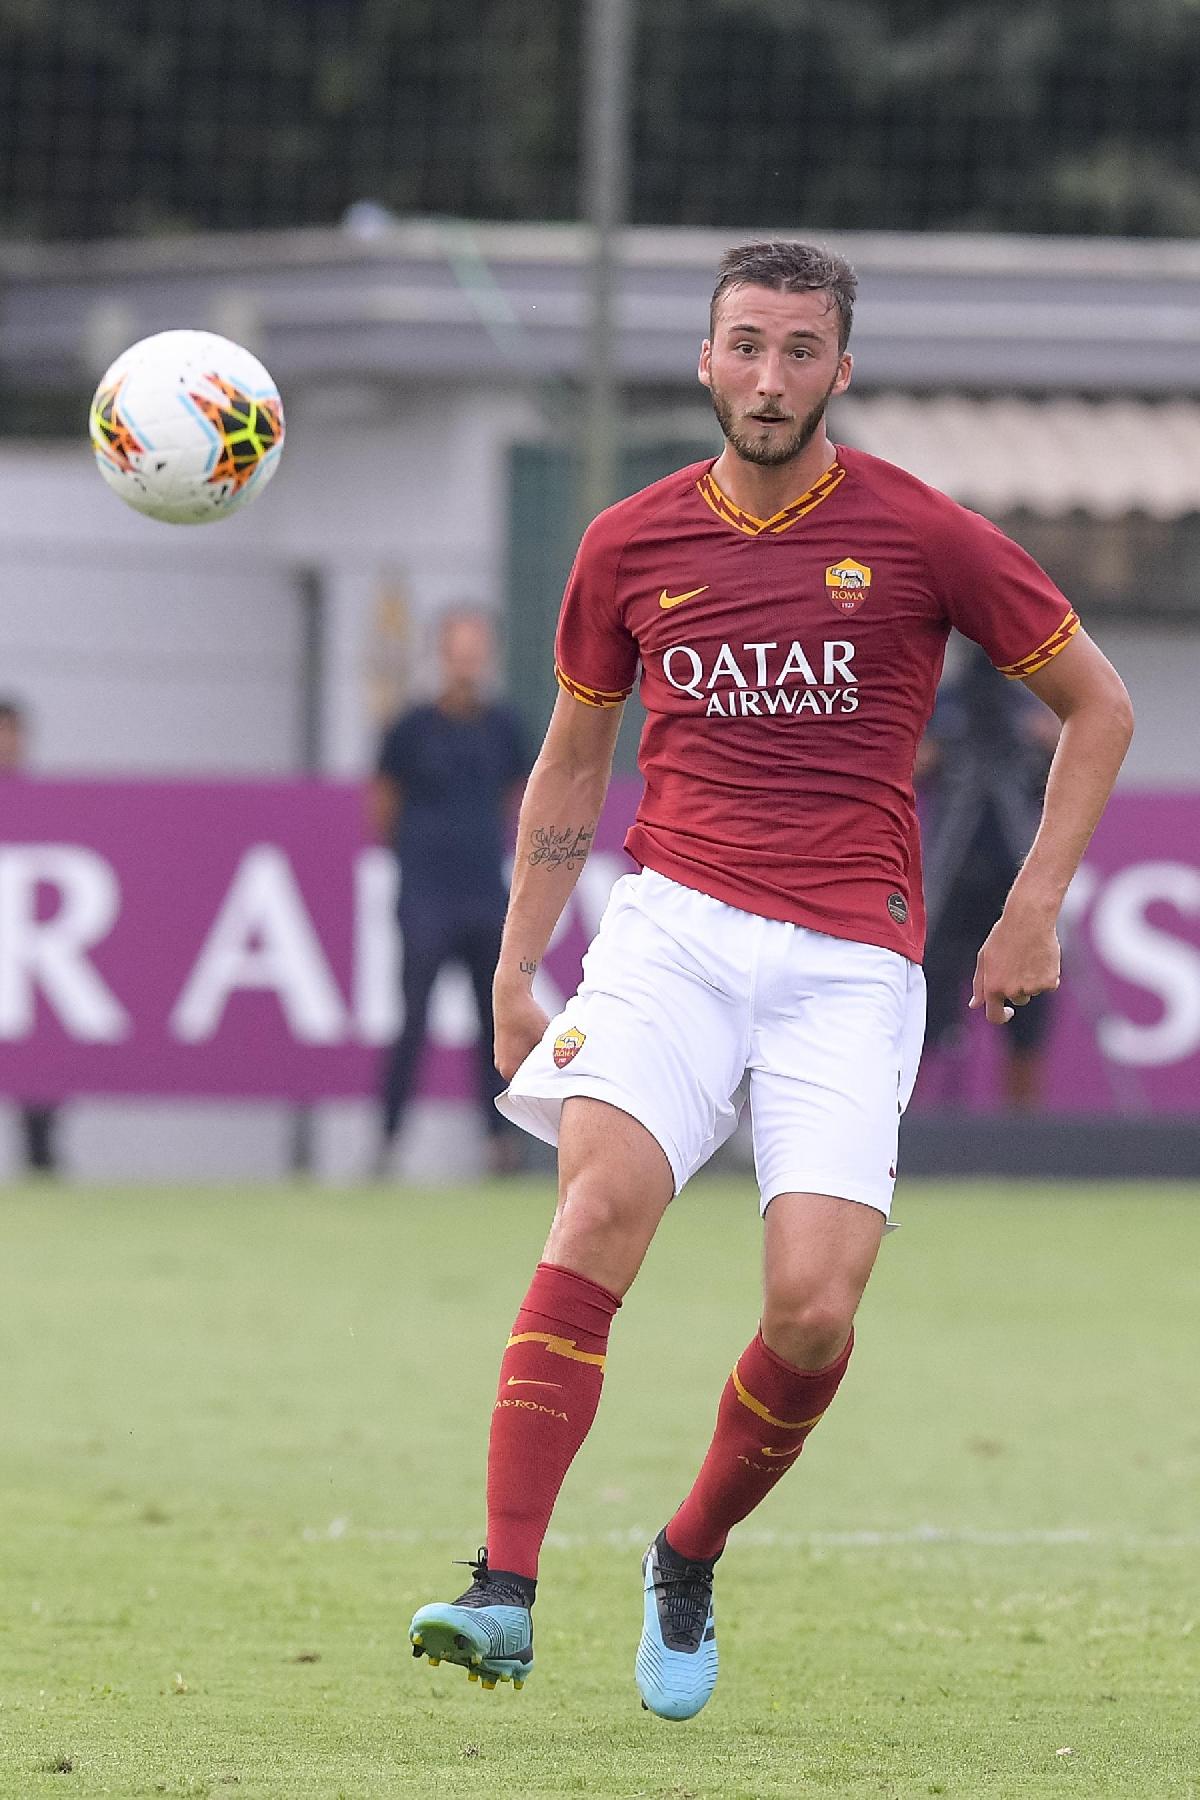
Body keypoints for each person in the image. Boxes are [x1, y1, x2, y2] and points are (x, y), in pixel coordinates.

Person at [407, 242, 1134, 1716]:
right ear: (704, 359)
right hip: (670, 928)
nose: (770, 377)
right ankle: (502, 1586)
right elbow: (572, 759)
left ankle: (686, 1553)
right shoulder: (627, 542)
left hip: (852, 961)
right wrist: (516, 963)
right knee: (600, 1203)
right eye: (747, 345)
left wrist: (1035, 904)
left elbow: (1097, 703)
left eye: (803, 351)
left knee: (813, 1311)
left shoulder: (922, 535)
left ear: (841, 372)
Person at [370, 608, 529, 1178]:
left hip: (484, 894)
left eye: (476, 648)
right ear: (442, 653)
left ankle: (498, 1145)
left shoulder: (504, 726)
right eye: (458, 648)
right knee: (412, 1019)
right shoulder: (411, 727)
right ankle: (388, 1139)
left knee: (494, 1023)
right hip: (425, 896)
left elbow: (518, 796)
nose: (467, 659)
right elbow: (383, 803)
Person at [918, 644, 1063, 1108]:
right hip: (952, 877)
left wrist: (1042, 742)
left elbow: (1061, 765)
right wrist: (943, 747)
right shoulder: (947, 706)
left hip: (1014, 881)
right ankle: (903, 1120)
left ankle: (1022, 1131)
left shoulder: (1024, 708)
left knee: (1030, 1006)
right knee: (925, 1000)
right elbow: (911, 767)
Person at [0, 698, 62, 1177]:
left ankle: (42, 1168)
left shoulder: (44, 804)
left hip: (27, 961)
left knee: (41, 1074)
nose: (10, 743)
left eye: (16, 732)